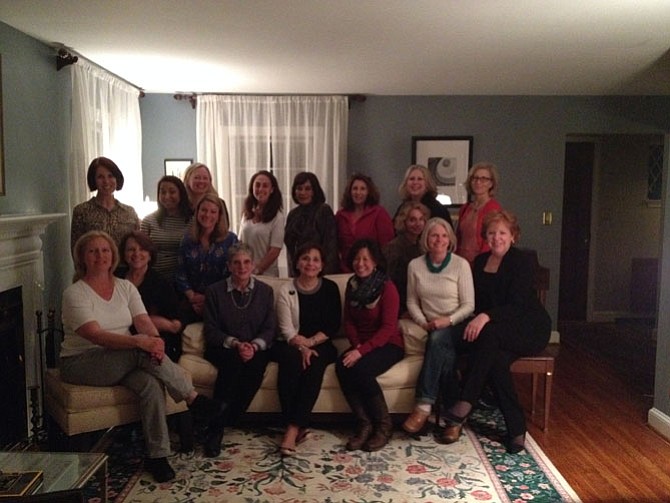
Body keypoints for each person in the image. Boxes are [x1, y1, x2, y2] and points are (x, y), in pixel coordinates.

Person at [60, 230, 219, 483]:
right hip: (83, 362)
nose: (100, 255)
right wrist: (141, 343)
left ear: (113, 256)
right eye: (93, 251)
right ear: (82, 258)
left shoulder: (125, 287)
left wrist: (155, 341)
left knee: (150, 385)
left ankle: (158, 456)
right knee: (139, 350)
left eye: (105, 250)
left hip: (121, 358)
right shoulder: (75, 293)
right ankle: (192, 397)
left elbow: (143, 321)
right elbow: (96, 336)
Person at [441, 210, 551, 453]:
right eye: (491, 233)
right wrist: (476, 316)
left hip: (529, 326)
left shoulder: (521, 261)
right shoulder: (480, 262)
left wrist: (485, 317)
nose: (497, 237)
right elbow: (478, 301)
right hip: (497, 329)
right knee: (496, 360)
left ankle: (466, 401)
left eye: (502, 233)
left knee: (488, 335)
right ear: (485, 237)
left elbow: (517, 304)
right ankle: (516, 428)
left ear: (513, 236)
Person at [401, 218, 474, 435]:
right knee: (445, 356)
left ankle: (423, 407)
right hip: (429, 324)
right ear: (426, 239)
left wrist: (447, 321)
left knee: (438, 339)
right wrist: (423, 322)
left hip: (458, 323)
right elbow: (412, 301)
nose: (439, 240)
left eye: (443, 235)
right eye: (434, 235)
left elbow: (469, 305)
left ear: (450, 239)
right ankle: (455, 420)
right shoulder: (415, 265)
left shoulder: (461, 265)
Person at [202, 242, 276, 457]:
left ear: (252, 265)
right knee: (232, 365)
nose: (242, 267)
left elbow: (270, 328)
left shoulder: (265, 291)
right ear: (229, 266)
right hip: (224, 346)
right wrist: (235, 343)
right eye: (236, 263)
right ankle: (216, 431)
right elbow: (211, 330)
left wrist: (253, 345)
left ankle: (225, 418)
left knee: (254, 368)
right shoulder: (215, 291)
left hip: (256, 347)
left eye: (246, 262)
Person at [335, 239, 404, 452]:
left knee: (361, 369)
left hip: (388, 344)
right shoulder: (352, 284)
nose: (360, 263)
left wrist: (361, 351)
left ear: (375, 262)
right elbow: (349, 322)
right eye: (356, 258)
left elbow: (387, 328)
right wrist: (356, 346)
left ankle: (384, 427)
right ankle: (363, 424)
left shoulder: (387, 287)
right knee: (342, 365)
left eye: (365, 258)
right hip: (361, 344)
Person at [274, 243, 341, 455]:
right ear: (297, 262)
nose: (310, 263)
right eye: (305, 258)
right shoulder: (287, 289)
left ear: (321, 265)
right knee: (291, 362)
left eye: (315, 259)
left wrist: (309, 344)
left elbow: (332, 325)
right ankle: (294, 424)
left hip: (321, 344)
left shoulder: (330, 288)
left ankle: (292, 429)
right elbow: (286, 329)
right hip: (291, 343)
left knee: (313, 365)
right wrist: (301, 346)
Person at [118, 231, 184, 362]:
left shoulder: (161, 283)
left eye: (142, 249)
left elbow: (176, 325)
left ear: (150, 255)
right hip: (120, 340)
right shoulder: (115, 278)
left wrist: (147, 321)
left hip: (157, 341)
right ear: (124, 255)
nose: (136, 254)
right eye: (131, 249)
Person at [175, 193, 238, 322]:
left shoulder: (231, 240)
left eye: (213, 211)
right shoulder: (187, 239)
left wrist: (209, 299)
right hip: (191, 300)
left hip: (221, 300)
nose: (207, 215)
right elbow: (180, 272)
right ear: (197, 212)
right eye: (203, 210)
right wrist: (192, 296)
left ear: (219, 215)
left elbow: (234, 274)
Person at [70, 156, 139, 251]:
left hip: (124, 265)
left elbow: (137, 246)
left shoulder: (129, 212)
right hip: (95, 265)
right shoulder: (82, 212)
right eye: (100, 177)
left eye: (110, 176)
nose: (106, 181)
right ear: (94, 180)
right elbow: (76, 250)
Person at [335, 174, 394, 273]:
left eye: (363, 189)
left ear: (369, 192)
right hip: (345, 270)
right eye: (355, 188)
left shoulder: (379, 213)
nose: (358, 192)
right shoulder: (340, 215)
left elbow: (386, 246)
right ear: (349, 192)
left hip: (371, 269)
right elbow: (336, 245)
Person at [284, 172, 339, 275]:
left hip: (320, 273)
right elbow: (290, 251)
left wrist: (323, 274)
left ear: (314, 191)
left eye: (308, 189)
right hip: (298, 273)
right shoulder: (292, 215)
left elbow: (331, 247)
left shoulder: (323, 211)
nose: (303, 192)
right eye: (299, 188)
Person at [140, 176, 193, 282]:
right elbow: (142, 251)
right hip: (155, 279)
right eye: (162, 192)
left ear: (181, 194)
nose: (167, 196)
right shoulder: (148, 221)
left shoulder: (192, 221)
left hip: (184, 280)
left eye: (172, 192)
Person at [382, 202, 430, 317]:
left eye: (421, 219)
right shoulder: (394, 248)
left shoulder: (423, 246)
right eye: (412, 220)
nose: (417, 224)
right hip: (400, 306)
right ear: (404, 222)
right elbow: (390, 282)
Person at [239, 170, 285, 277]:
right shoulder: (247, 213)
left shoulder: (277, 217)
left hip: (266, 274)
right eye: (257, 185)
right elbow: (240, 243)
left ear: (272, 190)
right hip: (244, 272)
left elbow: (275, 250)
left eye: (265, 186)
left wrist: (257, 270)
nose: (260, 189)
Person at [455, 162, 502, 265]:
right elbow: (458, 238)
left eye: (484, 179)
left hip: (481, 263)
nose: (478, 182)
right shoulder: (465, 208)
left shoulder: (493, 207)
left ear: (491, 183)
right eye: (475, 178)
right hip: (461, 262)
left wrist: (479, 263)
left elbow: (491, 240)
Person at [392, 164, 454, 233]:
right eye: (412, 179)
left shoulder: (438, 209)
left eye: (420, 179)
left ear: (427, 184)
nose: (415, 182)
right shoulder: (403, 207)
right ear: (406, 183)